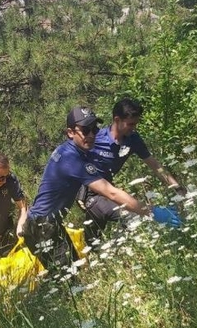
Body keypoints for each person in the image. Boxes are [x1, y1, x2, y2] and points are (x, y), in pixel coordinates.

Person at [23, 106, 180, 276]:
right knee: (69, 281)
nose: (91, 135)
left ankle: (99, 257)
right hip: (41, 228)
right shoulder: (71, 158)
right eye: (85, 130)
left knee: (70, 277)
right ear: (70, 132)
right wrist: (153, 212)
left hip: (47, 224)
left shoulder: (72, 151)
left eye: (94, 129)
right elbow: (111, 192)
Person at [79, 98, 186, 242]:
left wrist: (177, 188)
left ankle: (100, 253)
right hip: (90, 194)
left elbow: (155, 166)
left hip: (109, 192)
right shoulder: (96, 138)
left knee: (93, 243)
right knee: (134, 216)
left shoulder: (133, 139)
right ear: (117, 120)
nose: (134, 127)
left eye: (136, 124)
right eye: (130, 124)